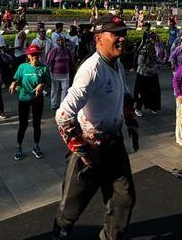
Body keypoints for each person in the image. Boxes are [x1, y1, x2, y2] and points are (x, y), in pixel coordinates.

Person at [53, 15, 137, 240]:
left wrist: (129, 119)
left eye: (124, 33)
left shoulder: (116, 63)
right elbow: (62, 115)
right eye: (116, 34)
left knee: (124, 198)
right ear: (99, 38)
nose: (122, 38)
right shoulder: (91, 69)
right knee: (70, 210)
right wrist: (82, 149)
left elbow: (125, 94)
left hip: (114, 145)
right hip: (90, 150)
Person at [9, 44, 50, 161]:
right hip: (24, 99)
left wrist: (41, 85)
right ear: (28, 55)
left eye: (37, 54)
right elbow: (17, 79)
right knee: (23, 124)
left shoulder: (44, 68)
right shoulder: (23, 67)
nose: (36, 56)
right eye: (33, 54)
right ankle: (19, 147)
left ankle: (36, 146)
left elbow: (48, 83)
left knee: (37, 124)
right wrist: (14, 83)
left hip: (37, 99)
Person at [133, 34, 161, 117]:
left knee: (154, 91)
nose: (155, 40)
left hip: (152, 73)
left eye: (155, 39)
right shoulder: (144, 49)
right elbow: (140, 62)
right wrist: (149, 70)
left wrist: (156, 66)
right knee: (141, 92)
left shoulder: (153, 48)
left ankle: (152, 107)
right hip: (143, 74)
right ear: (149, 39)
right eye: (153, 39)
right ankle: (138, 108)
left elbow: (155, 59)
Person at [46, 35, 74, 111]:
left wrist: (72, 68)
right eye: (59, 40)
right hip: (55, 73)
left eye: (62, 40)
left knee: (65, 89)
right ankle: (53, 104)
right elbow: (49, 60)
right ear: (56, 41)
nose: (60, 42)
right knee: (54, 89)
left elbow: (71, 60)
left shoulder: (67, 50)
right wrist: (46, 69)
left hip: (65, 73)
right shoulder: (54, 49)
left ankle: (63, 104)